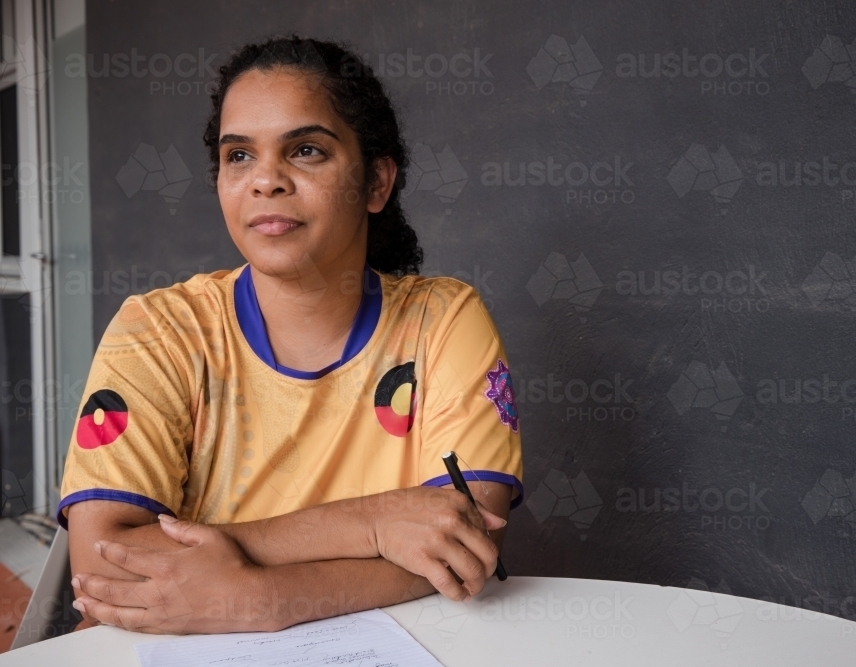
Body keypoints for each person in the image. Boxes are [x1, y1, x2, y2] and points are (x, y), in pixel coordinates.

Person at [58, 35, 523, 634]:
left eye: (305, 150)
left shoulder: (443, 320)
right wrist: (373, 525)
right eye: (239, 156)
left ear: (377, 183)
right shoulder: (157, 331)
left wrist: (259, 599)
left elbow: (466, 549)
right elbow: (106, 576)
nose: (266, 180)